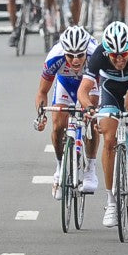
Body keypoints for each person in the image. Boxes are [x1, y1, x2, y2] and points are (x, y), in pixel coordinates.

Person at [77, 21, 128, 229]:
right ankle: (111, 202)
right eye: (114, 55)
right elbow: (83, 90)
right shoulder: (98, 55)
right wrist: (88, 107)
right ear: (107, 52)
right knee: (108, 138)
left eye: (123, 54)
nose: (119, 59)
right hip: (109, 89)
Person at [35, 26, 100, 198]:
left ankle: (90, 169)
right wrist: (41, 115)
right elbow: (42, 92)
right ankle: (60, 167)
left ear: (86, 50)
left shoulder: (96, 55)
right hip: (66, 84)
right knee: (57, 126)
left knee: (92, 120)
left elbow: (106, 86)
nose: (76, 60)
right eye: (70, 56)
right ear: (64, 52)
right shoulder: (54, 57)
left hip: (90, 84)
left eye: (80, 55)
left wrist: (98, 110)